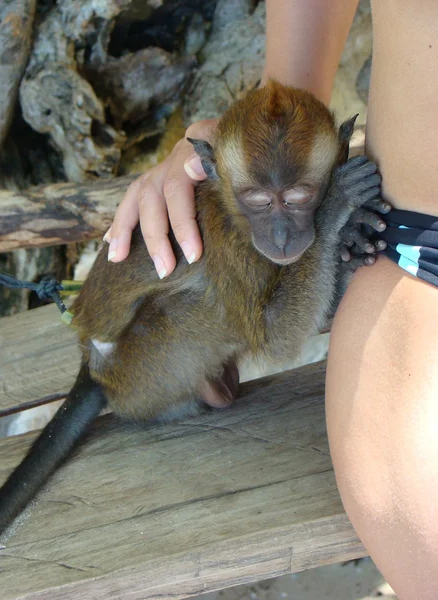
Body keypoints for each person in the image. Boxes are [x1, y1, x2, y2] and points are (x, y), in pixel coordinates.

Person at [103, 1, 438, 597]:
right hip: (420, 260)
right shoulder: (250, 216)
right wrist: (258, 128)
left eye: (303, 196)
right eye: (258, 202)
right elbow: (279, 336)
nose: (282, 235)